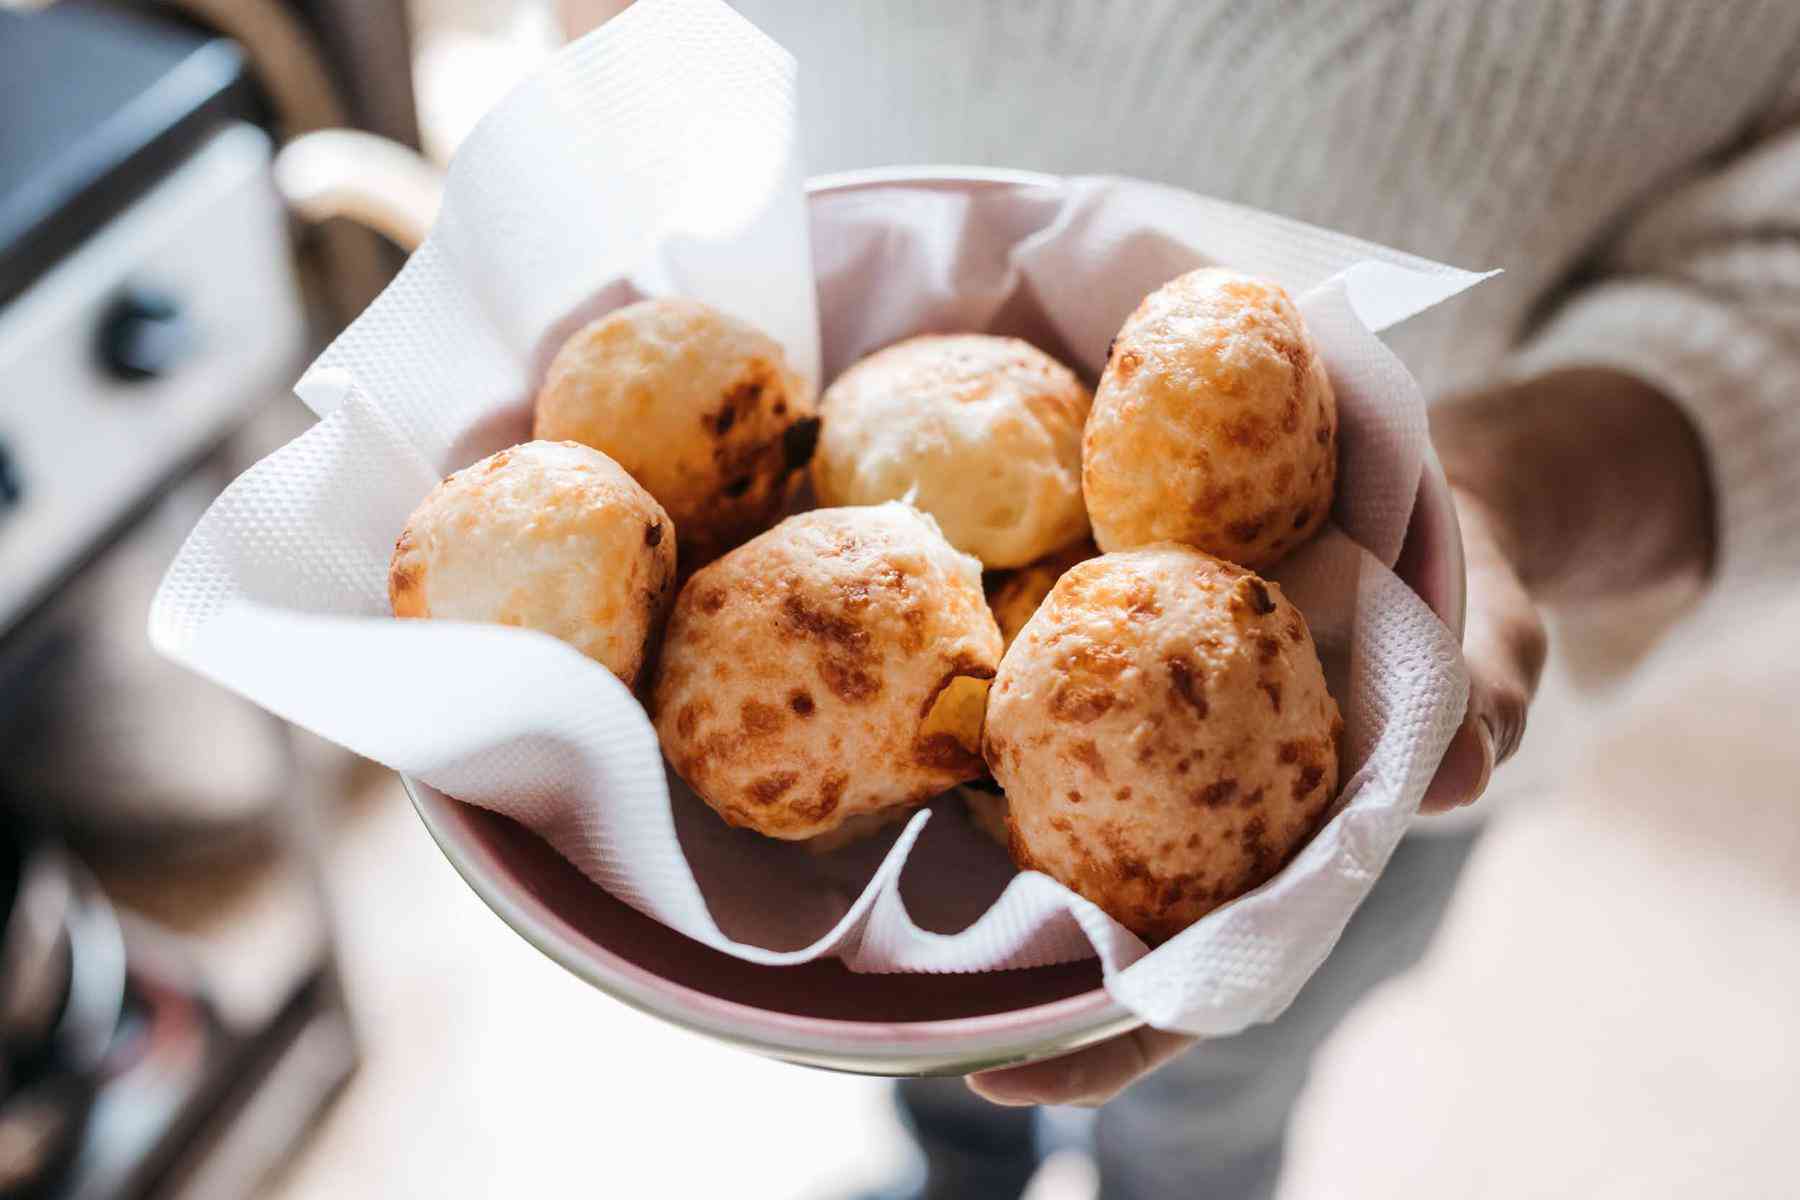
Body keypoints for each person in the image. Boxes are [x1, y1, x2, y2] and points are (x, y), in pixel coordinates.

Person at [552, 3, 1798, 1195]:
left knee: (1211, 1106)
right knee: (941, 1056)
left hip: (1383, 690)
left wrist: (1497, 488)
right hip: (790, 413)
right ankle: (956, 1177)